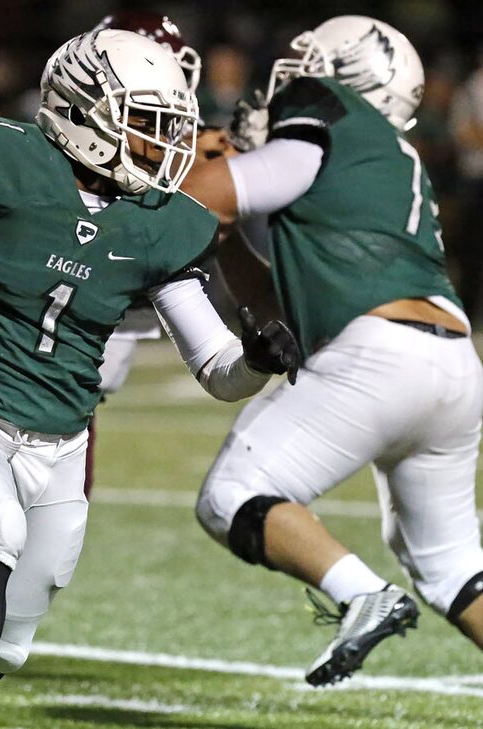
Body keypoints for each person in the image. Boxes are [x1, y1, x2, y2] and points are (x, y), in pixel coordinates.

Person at [0, 29, 298, 729]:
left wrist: (257, 360)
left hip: (60, 445)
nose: (164, 147)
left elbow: (219, 371)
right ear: (87, 112)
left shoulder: (163, 224)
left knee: (14, 635)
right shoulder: (0, 159)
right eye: (148, 125)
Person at [0, 10, 209, 690]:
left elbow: (211, 341)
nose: (166, 134)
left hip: (70, 410)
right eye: (148, 115)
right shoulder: (19, 167)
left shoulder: (174, 215)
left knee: (23, 601)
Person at [179, 15, 483, 686]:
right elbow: (286, 307)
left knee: (233, 493)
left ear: (347, 78)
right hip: (452, 361)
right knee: (454, 566)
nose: (286, 81)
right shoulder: (382, 165)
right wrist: (227, 236)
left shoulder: (325, 111)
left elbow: (240, 183)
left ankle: (359, 592)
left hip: (378, 356)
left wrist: (191, 184)